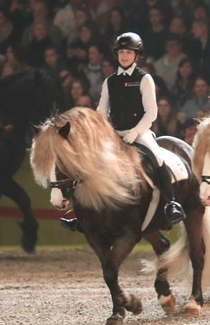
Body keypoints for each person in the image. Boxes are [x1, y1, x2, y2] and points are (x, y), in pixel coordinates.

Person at [62, 33, 185, 233]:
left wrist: (135, 132)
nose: (125, 56)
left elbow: (152, 112)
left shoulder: (145, 79)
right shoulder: (110, 81)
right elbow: (101, 111)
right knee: (89, 162)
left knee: (157, 159)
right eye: (121, 52)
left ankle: (171, 203)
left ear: (136, 55)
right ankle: (81, 213)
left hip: (140, 132)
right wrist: (104, 132)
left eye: (129, 52)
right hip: (115, 133)